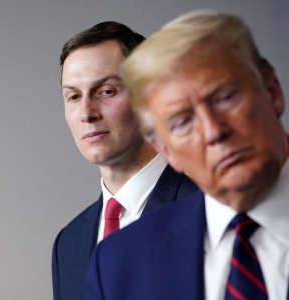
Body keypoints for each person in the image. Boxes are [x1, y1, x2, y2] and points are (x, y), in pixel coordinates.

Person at [85, 11, 289, 300]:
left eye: (225, 98)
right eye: (182, 122)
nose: (213, 131)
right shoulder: (119, 265)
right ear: (165, 150)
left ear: (273, 92)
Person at [52, 21, 198, 300]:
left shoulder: (214, 212)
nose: (86, 113)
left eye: (106, 91)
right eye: (73, 96)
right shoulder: (67, 246)